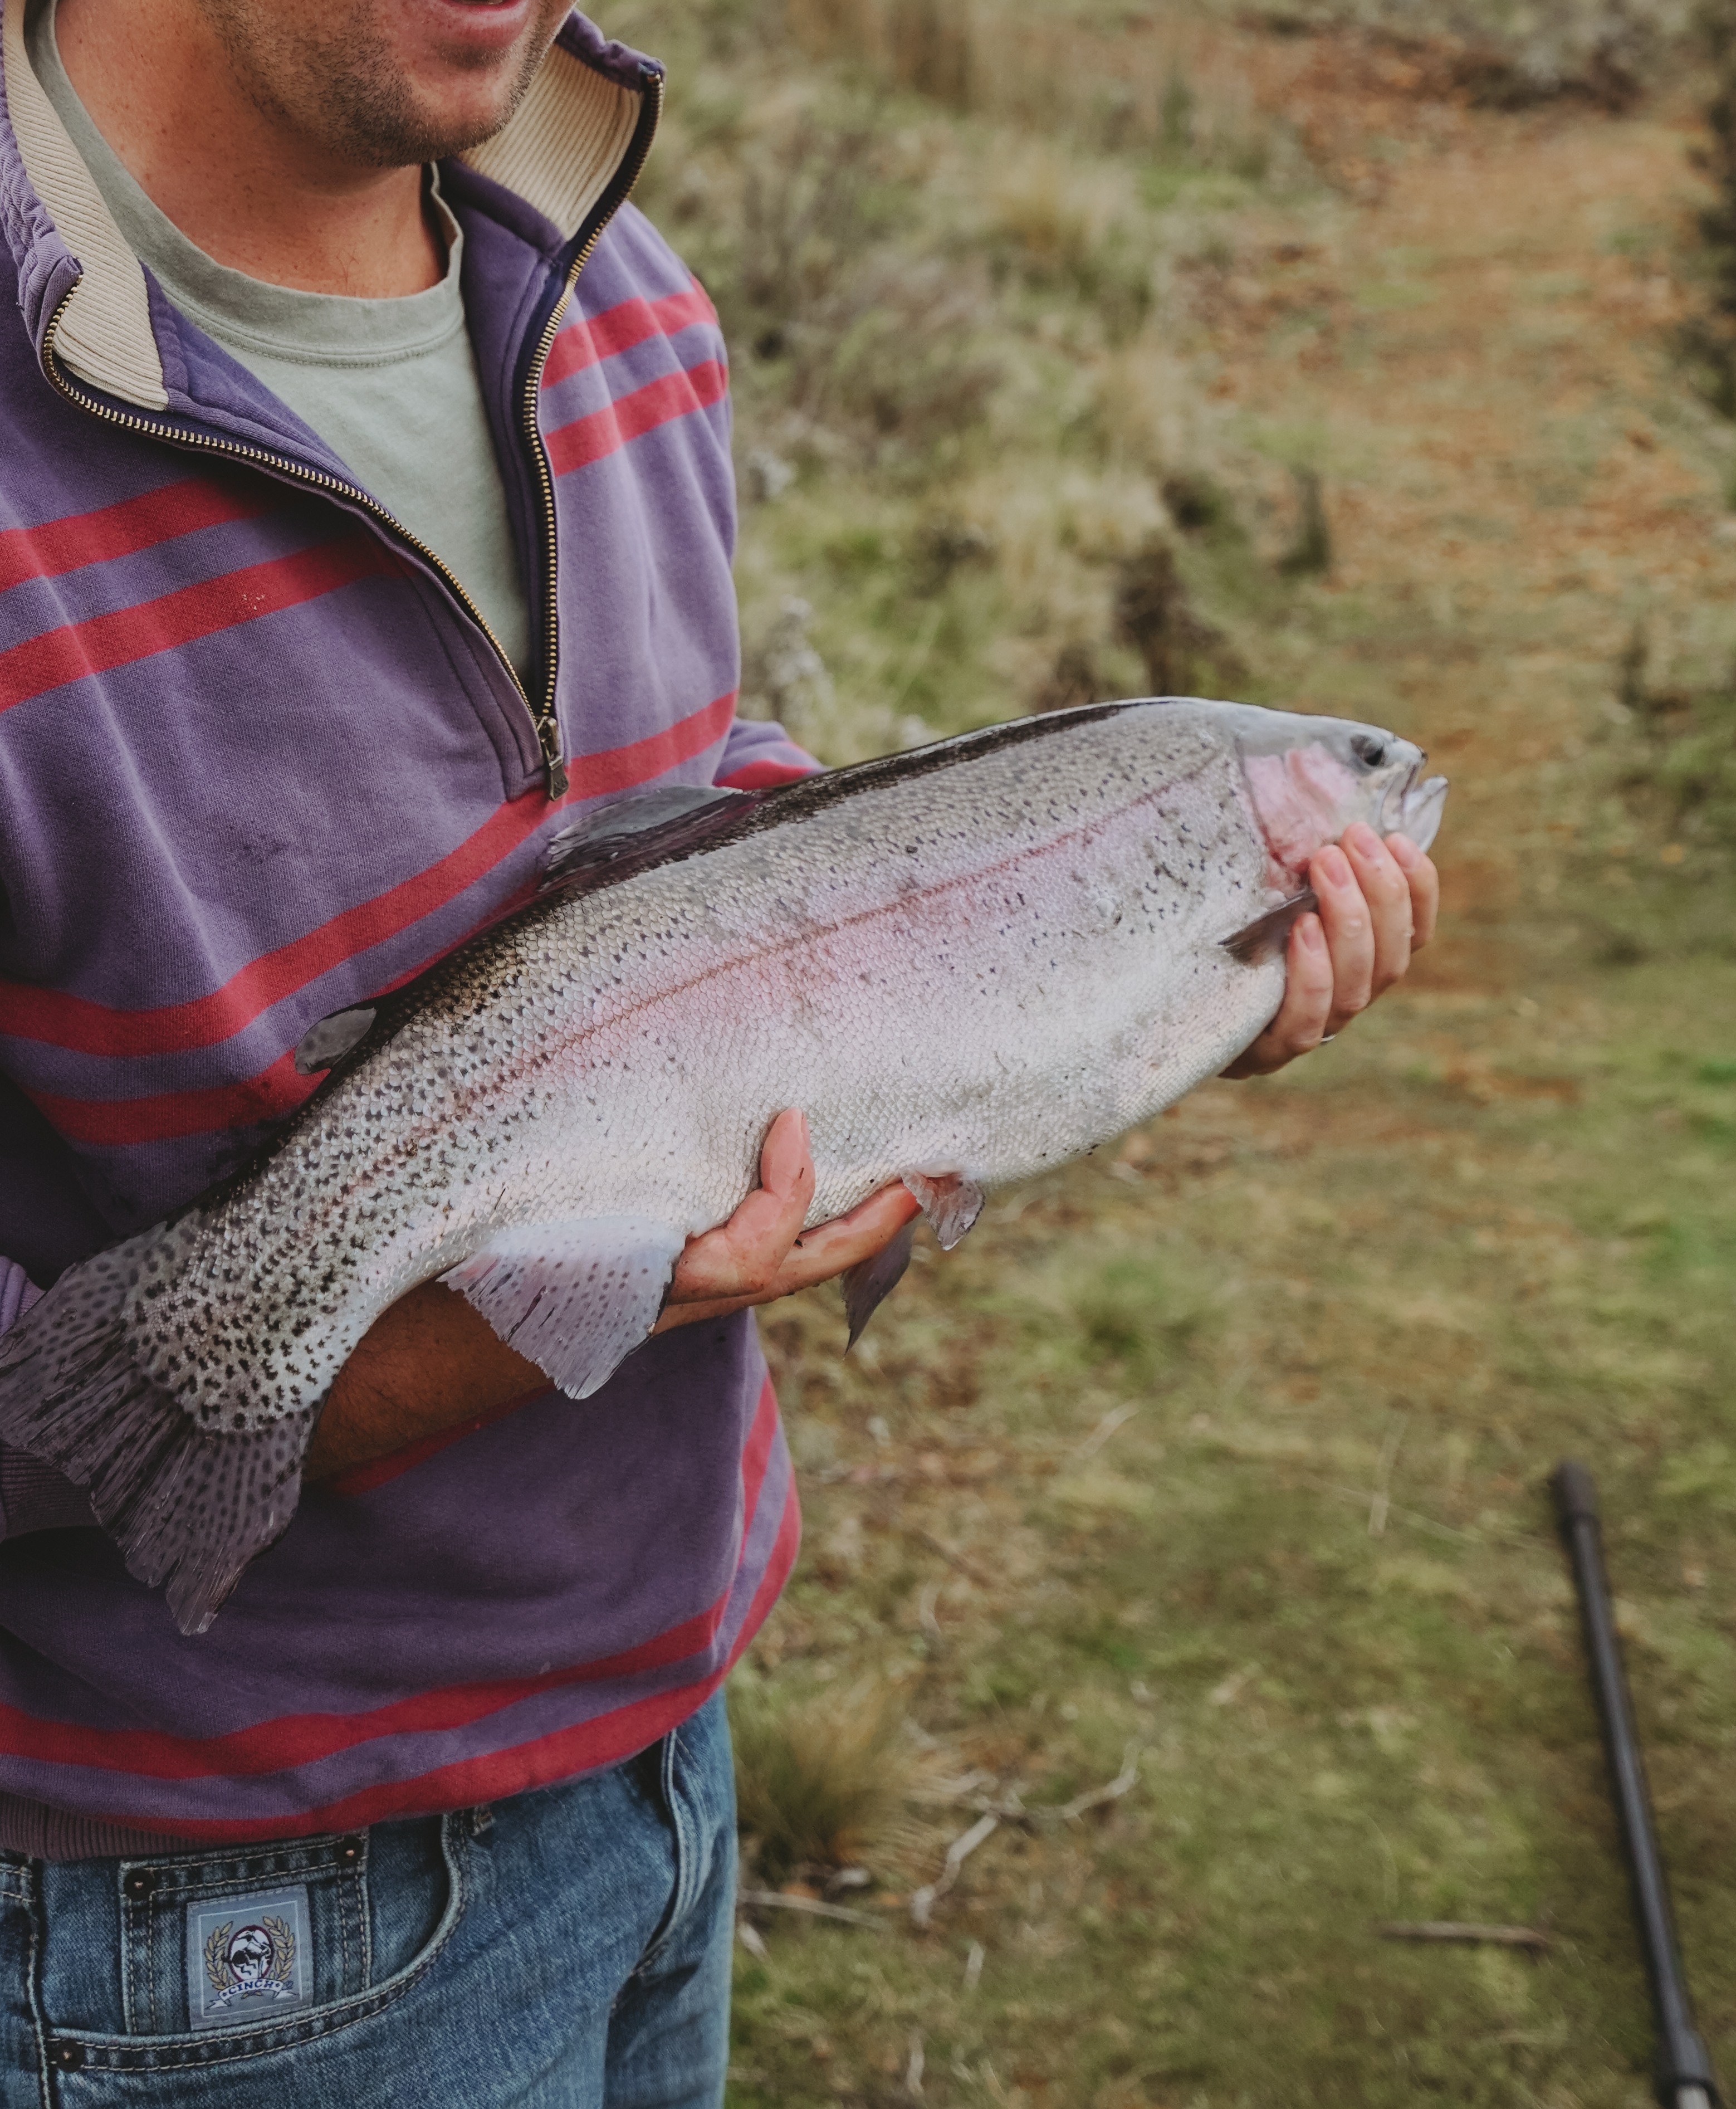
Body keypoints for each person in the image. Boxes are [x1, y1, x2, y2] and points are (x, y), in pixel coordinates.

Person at [0, 0, 1441, 2098]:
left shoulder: (615, 286)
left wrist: (1093, 977)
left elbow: (681, 798)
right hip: (211, 1934)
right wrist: (474, 1320)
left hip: (670, 1753)